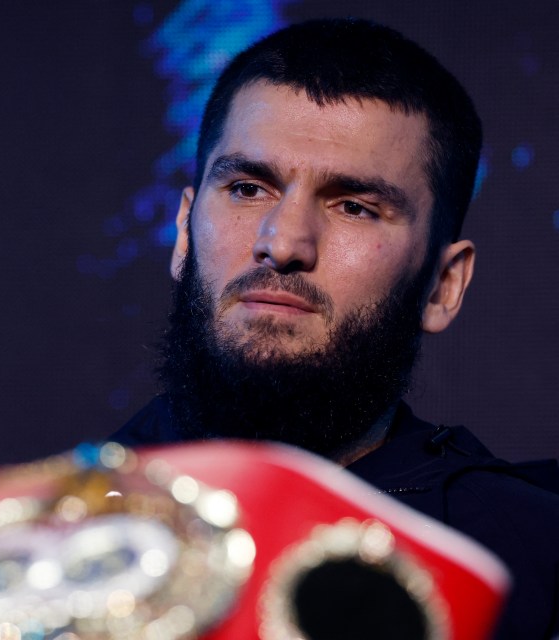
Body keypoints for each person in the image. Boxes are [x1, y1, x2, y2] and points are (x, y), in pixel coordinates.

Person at [109, 18, 559, 638]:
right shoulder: (37, 534)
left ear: (443, 284)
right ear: (184, 234)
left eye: (354, 206)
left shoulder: (531, 561)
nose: (283, 242)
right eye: (246, 188)